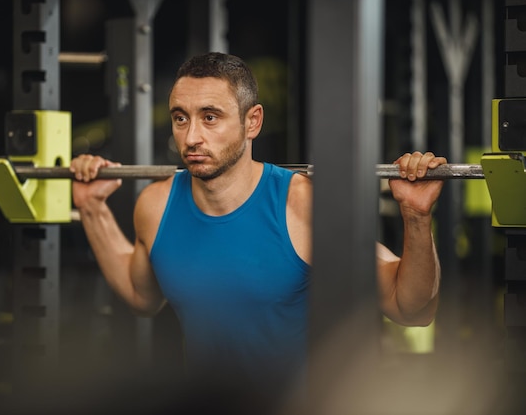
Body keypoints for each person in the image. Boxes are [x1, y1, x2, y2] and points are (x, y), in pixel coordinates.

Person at [70, 52, 446, 401]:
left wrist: (416, 216)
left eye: (210, 117)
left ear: (253, 122)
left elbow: (411, 308)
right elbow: (142, 296)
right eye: (181, 117)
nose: (191, 137)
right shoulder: (156, 205)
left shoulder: (302, 205)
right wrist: (92, 208)